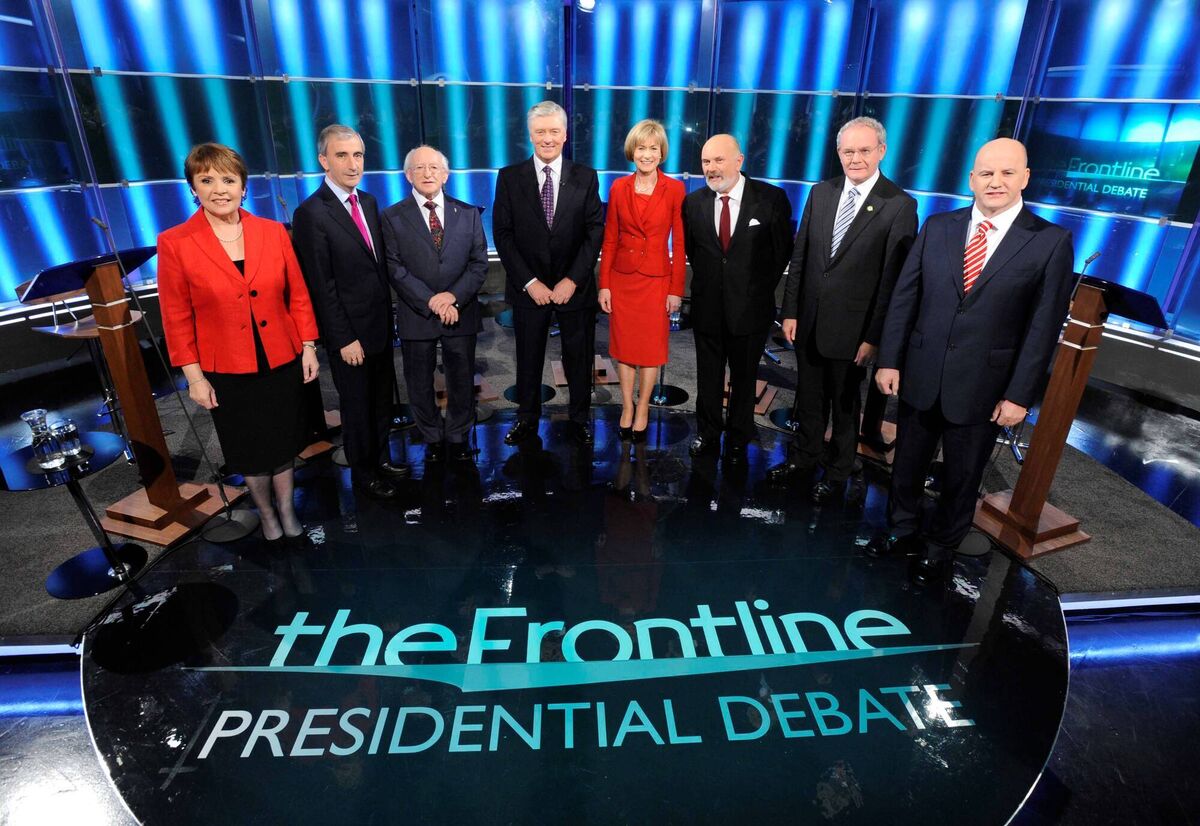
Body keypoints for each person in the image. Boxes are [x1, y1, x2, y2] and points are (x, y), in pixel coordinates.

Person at [869, 138, 1074, 585]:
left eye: (1005, 173)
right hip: (921, 372)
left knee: (962, 477)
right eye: (986, 173)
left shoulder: (1050, 242)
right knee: (906, 462)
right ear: (971, 179)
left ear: (1025, 178)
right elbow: (906, 297)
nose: (995, 182)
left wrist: (1020, 395)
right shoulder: (939, 226)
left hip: (985, 385)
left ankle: (941, 545)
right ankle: (901, 529)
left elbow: (1043, 328)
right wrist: (890, 360)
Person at [157, 142, 320, 541]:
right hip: (225, 367)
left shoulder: (272, 231)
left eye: (228, 179)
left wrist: (309, 346)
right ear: (193, 187)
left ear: (243, 186)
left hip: (280, 357)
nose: (219, 189)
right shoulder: (175, 242)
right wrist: (194, 377)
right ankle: (265, 513)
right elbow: (176, 317)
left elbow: (297, 294)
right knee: (249, 447)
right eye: (207, 180)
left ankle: (286, 507)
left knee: (283, 442)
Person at [772, 117, 918, 502]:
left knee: (845, 406)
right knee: (808, 396)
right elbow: (800, 256)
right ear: (838, 153)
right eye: (848, 151)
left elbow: (894, 282)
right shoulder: (821, 193)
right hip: (809, 322)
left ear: (881, 151)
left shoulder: (899, 205)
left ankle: (838, 471)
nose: (855, 158)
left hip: (854, 333)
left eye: (864, 150)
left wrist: (874, 338)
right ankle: (804, 458)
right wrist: (790, 311)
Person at [291, 124, 409, 501]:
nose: (352, 163)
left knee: (381, 400)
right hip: (349, 336)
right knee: (356, 408)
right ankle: (364, 473)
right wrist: (342, 338)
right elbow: (320, 285)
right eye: (342, 155)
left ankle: (380, 458)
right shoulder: (311, 213)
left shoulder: (370, 202)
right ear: (324, 160)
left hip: (378, 326)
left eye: (357, 155)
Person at [492, 100, 604, 447]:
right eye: (541, 132)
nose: (547, 138)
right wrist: (530, 283)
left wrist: (572, 279)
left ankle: (580, 418)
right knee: (528, 357)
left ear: (565, 135)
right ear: (530, 135)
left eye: (554, 131)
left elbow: (594, 232)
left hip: (575, 287)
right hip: (530, 288)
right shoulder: (509, 177)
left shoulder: (586, 176)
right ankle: (526, 419)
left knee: (579, 357)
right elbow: (503, 234)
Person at [681, 134, 793, 466]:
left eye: (718, 160)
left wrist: (755, 290)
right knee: (708, 377)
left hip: (751, 309)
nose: (711, 168)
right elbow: (694, 252)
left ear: (739, 161)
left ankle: (739, 434)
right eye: (705, 162)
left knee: (745, 378)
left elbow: (781, 252)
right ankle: (708, 432)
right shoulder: (694, 202)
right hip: (707, 308)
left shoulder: (771, 199)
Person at [381, 145, 488, 464]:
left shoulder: (468, 213)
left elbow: (479, 264)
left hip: (461, 310)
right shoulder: (392, 217)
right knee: (418, 379)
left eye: (434, 168)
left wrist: (452, 297)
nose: (427, 173)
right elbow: (394, 267)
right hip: (418, 313)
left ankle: (457, 434)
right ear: (407, 175)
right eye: (419, 168)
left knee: (461, 376)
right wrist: (432, 300)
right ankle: (430, 434)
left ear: (445, 174)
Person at [597, 119, 686, 443]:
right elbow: (609, 239)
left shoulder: (675, 189)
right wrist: (604, 284)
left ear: (661, 153)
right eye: (641, 148)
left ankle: (644, 407)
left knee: (650, 350)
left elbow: (680, 244)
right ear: (631, 151)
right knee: (624, 348)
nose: (646, 154)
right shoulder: (618, 187)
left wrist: (676, 289)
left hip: (656, 281)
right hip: (622, 279)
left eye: (653, 148)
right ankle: (626, 406)